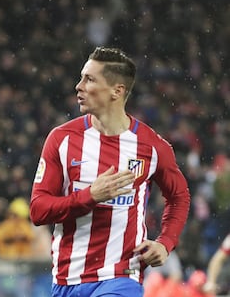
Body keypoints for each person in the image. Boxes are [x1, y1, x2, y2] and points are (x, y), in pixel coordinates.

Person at [30, 47, 191, 297]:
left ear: (117, 91)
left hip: (122, 276)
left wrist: (165, 242)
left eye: (90, 79)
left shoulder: (152, 146)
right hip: (67, 279)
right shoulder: (61, 139)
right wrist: (90, 196)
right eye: (82, 77)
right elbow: (38, 211)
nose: (78, 86)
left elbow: (179, 196)